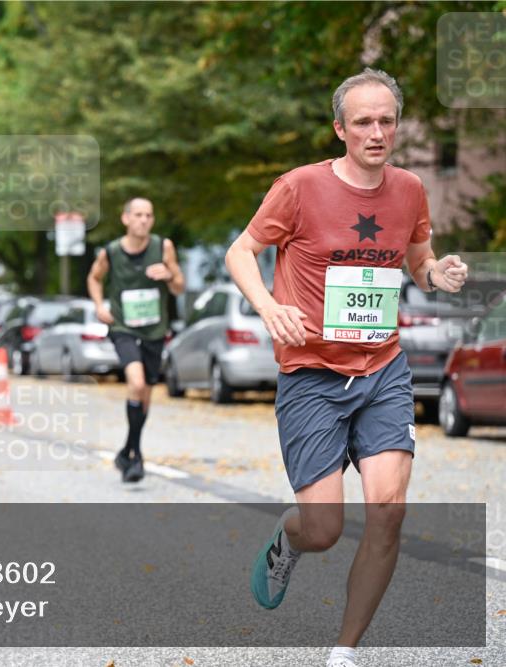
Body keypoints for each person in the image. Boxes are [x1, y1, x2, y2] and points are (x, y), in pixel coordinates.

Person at [225, 68, 469, 667]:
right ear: (340, 129)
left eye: (387, 120)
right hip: (312, 375)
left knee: (389, 512)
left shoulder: (410, 189)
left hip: (382, 370)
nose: (376, 132)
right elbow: (241, 251)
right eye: (363, 122)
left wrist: (437, 274)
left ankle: (345, 651)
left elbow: (418, 260)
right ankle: (289, 540)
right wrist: (268, 307)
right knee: (325, 528)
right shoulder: (299, 187)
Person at [87, 198, 185, 483]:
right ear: (126, 218)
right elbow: (94, 278)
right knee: (137, 384)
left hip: (154, 329)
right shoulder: (111, 252)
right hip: (123, 327)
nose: (144, 220)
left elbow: (179, 287)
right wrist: (99, 306)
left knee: (145, 395)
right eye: (138, 215)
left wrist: (169, 275)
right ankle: (136, 455)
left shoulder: (163, 246)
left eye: (149, 215)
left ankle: (129, 451)